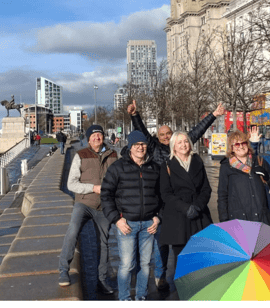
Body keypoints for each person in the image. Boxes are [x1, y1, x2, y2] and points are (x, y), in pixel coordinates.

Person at [126, 99, 224, 290]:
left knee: (193, 247)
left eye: (167, 134)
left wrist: (213, 115)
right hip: (162, 203)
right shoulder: (154, 148)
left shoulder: (186, 149)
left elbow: (197, 130)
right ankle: (161, 276)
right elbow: (144, 132)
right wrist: (134, 115)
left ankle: (195, 282)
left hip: (186, 207)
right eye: (161, 134)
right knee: (162, 243)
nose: (164, 136)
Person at [101, 130, 162, 301]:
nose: (141, 148)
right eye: (137, 145)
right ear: (130, 147)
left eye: (143, 144)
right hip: (127, 223)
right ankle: (125, 298)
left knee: (144, 264)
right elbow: (106, 195)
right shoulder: (118, 168)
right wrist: (116, 219)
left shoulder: (154, 168)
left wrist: (158, 217)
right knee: (127, 265)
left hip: (149, 224)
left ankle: (141, 296)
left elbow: (163, 195)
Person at [59, 125, 117, 295]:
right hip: (84, 203)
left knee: (103, 243)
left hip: (104, 206)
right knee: (73, 231)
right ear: (88, 138)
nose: (97, 138)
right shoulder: (81, 155)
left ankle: (101, 279)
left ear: (103, 137)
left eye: (99, 135)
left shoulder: (113, 155)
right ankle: (63, 270)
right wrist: (93, 188)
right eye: (93, 135)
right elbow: (71, 184)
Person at [159, 131, 213, 267]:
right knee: (182, 259)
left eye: (186, 141)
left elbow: (206, 188)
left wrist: (198, 206)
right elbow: (166, 194)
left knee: (202, 257)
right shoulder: (167, 165)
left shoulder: (197, 160)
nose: (183, 145)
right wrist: (185, 208)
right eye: (179, 142)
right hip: (179, 218)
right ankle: (183, 287)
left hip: (199, 216)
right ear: (173, 146)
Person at [217, 130, 270, 225]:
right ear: (232, 148)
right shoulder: (226, 166)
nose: (240, 146)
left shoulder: (259, 161)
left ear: (247, 144)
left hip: (261, 217)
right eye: (237, 144)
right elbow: (222, 195)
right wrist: (224, 220)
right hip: (239, 219)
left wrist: (267, 176)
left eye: (243, 143)